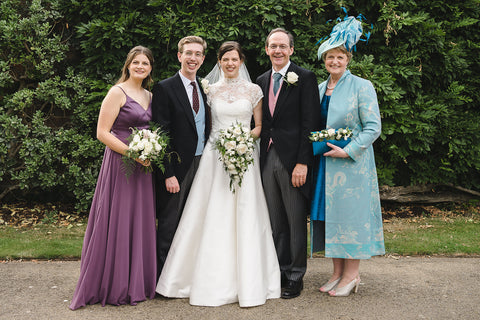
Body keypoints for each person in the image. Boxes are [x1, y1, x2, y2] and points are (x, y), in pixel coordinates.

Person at [156, 41, 281, 307]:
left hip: (244, 156)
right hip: (214, 157)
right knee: (208, 212)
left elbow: (258, 127)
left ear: (241, 61)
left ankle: (249, 280)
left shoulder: (254, 90)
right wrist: (224, 143)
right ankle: (193, 276)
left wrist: (243, 141)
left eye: (234, 59)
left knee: (246, 213)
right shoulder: (209, 90)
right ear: (219, 62)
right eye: (225, 60)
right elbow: (202, 123)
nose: (230, 64)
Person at [69, 46, 157, 310]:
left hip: (143, 168)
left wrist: (150, 149)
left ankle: (136, 283)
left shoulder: (150, 95)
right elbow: (102, 133)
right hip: (121, 165)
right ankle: (113, 283)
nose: (140, 66)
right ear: (128, 65)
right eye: (136, 62)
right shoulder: (116, 92)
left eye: (145, 63)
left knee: (138, 220)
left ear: (151, 68)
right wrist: (132, 152)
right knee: (117, 219)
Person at [312, 16, 385, 297]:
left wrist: (349, 150)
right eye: (330, 57)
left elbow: (373, 127)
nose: (335, 61)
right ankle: (337, 273)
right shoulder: (319, 88)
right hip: (327, 164)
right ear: (324, 60)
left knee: (351, 219)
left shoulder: (362, 86)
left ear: (348, 58)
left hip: (353, 166)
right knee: (332, 218)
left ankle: (352, 276)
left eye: (340, 56)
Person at [256, 28, 320, 299]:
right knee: (275, 219)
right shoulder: (260, 80)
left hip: (293, 160)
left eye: (283, 46)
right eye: (273, 46)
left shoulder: (304, 78)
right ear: (267, 49)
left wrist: (303, 163)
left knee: (295, 219)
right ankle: (279, 271)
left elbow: (311, 123)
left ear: (291, 50)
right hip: (266, 157)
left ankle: (295, 275)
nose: (278, 51)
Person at [151, 36, 211, 278]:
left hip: (203, 163)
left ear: (203, 59)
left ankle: (186, 274)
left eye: (197, 54)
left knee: (194, 220)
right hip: (177, 166)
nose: (193, 58)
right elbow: (161, 132)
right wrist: (168, 173)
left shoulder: (205, 87)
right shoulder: (165, 88)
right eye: (188, 53)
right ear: (179, 56)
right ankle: (162, 277)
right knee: (170, 222)